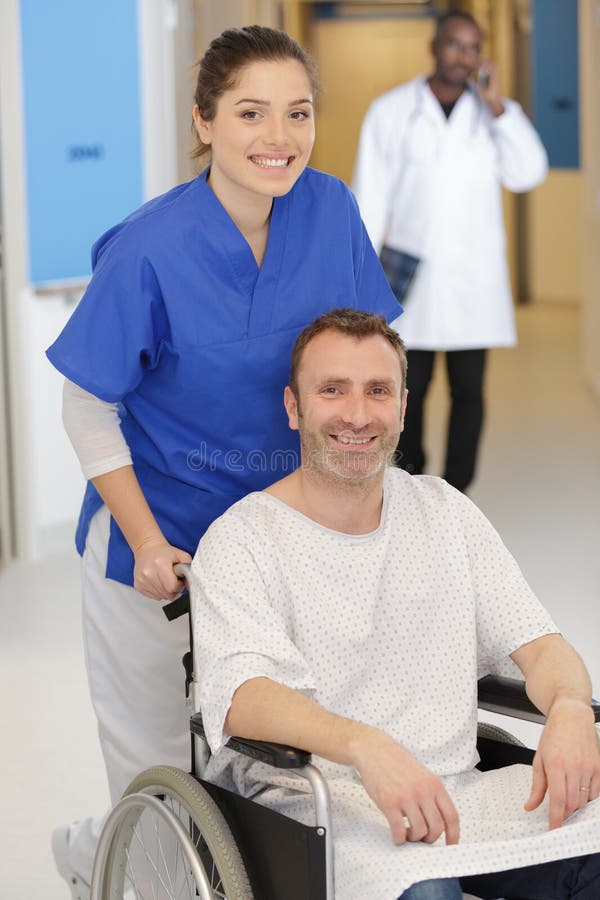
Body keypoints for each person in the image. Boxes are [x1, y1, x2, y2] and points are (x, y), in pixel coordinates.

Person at [46, 26, 402, 896]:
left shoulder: (331, 210)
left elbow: (366, 355)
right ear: (204, 121)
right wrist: (144, 539)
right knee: (163, 757)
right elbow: (86, 401)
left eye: (297, 113)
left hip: (281, 539)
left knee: (266, 757)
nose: (277, 137)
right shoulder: (150, 247)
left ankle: (97, 846)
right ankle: (120, 854)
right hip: (159, 540)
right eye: (250, 113)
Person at [191, 308, 600, 900]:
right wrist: (366, 745)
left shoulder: (445, 513)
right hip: (319, 808)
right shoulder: (243, 538)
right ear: (293, 406)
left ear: (403, 407)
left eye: (377, 391)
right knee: (427, 890)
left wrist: (568, 708)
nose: (357, 415)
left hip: (460, 793)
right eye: (333, 390)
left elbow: (540, 644)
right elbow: (243, 693)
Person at [352, 9, 548, 493]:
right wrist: (358, 279)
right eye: (455, 45)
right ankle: (412, 485)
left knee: (469, 391)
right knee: (404, 392)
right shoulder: (391, 110)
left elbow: (529, 173)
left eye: (473, 47)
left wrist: (499, 107)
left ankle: (458, 493)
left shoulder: (493, 115)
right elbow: (369, 198)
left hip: (471, 280)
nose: (464, 56)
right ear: (434, 47)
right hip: (406, 275)